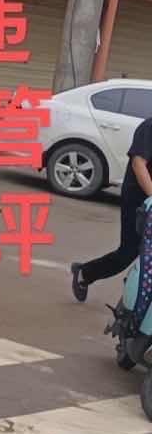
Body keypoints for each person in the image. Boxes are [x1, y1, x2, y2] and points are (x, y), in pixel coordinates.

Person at [72, 114, 152, 302]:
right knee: (128, 252)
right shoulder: (149, 127)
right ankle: (85, 273)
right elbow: (138, 163)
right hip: (139, 199)